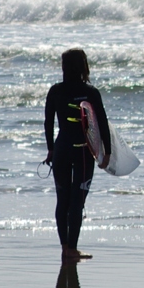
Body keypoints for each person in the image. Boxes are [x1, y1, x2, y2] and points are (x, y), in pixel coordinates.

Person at [44, 48, 111, 262]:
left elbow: (48, 123)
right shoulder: (90, 92)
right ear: (84, 67)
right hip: (83, 150)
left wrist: (51, 150)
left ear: (64, 67)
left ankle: (65, 247)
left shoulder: (55, 91)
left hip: (62, 148)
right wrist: (106, 152)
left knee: (62, 200)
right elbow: (100, 122)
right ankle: (72, 248)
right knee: (77, 201)